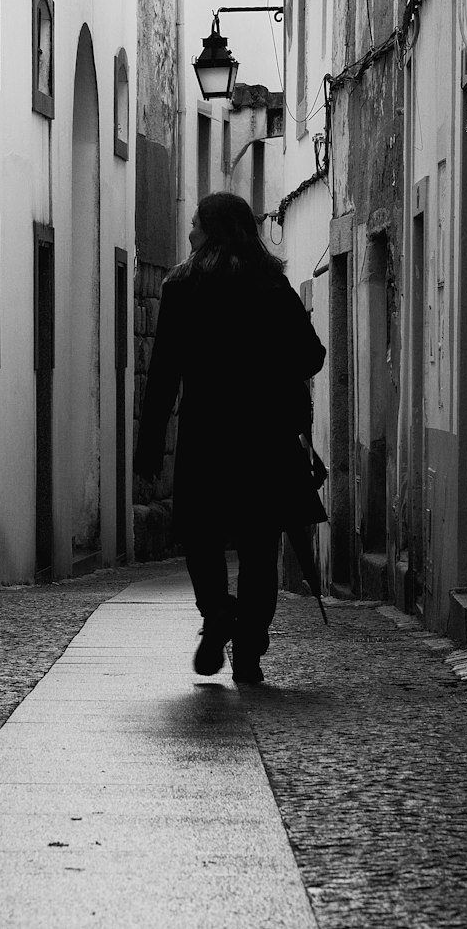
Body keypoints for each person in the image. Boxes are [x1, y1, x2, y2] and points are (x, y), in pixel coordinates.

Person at [133, 191, 327, 684]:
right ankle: (249, 653)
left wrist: (151, 446)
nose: (190, 233)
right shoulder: (269, 283)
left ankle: (217, 611)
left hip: (205, 437)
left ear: (213, 229)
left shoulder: (181, 286)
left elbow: (163, 377)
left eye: (195, 224)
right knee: (260, 546)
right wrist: (266, 370)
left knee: (201, 535)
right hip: (262, 439)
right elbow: (311, 354)